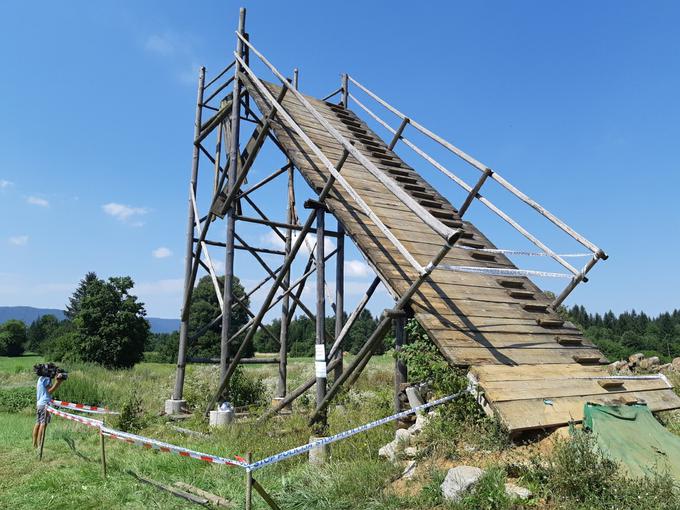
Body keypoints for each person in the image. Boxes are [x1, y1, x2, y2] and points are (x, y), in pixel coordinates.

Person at [32, 368, 65, 449]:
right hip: (45, 404)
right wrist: (58, 382)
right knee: (43, 424)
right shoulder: (47, 379)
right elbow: (49, 391)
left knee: (38, 423)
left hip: (39, 403)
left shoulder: (41, 378)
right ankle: (40, 446)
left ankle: (34, 444)